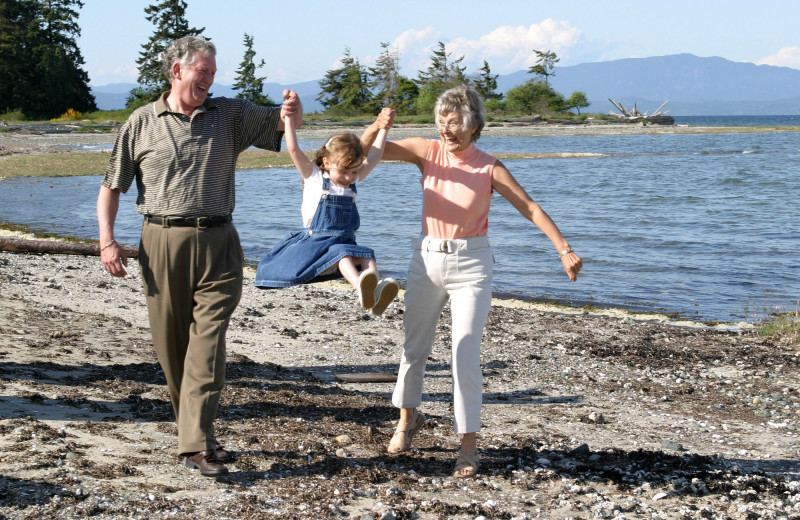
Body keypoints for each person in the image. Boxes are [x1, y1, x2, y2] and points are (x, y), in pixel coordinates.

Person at [96, 35, 302, 478]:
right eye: (201, 71)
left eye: (212, 71)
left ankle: (193, 444)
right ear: (177, 71)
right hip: (162, 243)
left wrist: (292, 109)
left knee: (207, 344)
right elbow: (112, 187)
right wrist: (107, 242)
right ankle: (200, 436)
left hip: (220, 241)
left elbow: (285, 127)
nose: (209, 78)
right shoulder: (141, 121)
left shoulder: (228, 115)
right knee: (173, 352)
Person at [365, 85, 582, 478]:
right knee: (414, 347)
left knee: (464, 353)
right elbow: (365, 152)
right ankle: (406, 421)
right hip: (427, 259)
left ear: (475, 125)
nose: (447, 131)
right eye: (441, 123)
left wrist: (563, 248)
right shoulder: (425, 151)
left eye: (455, 123)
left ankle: (468, 444)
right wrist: (377, 125)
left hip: (472, 265)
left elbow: (529, 206)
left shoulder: (489, 166)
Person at [254, 108, 400, 316]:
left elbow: (375, 156)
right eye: (343, 171)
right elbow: (294, 149)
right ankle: (360, 287)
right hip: (317, 243)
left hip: (344, 241)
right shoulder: (314, 177)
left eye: (354, 172)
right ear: (327, 163)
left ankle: (374, 294)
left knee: (367, 255)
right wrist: (287, 120)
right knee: (342, 254)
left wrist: (384, 129)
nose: (349, 177)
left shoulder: (351, 184)